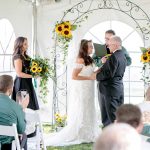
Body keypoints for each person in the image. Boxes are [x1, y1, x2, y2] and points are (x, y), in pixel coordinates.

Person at [45, 39, 100, 146]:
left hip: (90, 88)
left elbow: (90, 72)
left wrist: (98, 70)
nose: (92, 48)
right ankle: (81, 133)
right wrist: (90, 77)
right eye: (90, 47)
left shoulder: (90, 59)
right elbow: (74, 76)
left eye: (92, 46)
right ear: (84, 48)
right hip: (82, 89)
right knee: (82, 108)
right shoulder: (80, 60)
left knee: (89, 108)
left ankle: (89, 132)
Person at [95, 36, 127, 127]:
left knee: (110, 117)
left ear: (116, 44)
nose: (108, 47)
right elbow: (115, 71)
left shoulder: (114, 56)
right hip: (118, 88)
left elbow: (108, 74)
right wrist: (105, 63)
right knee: (118, 116)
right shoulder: (122, 56)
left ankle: (113, 138)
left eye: (109, 45)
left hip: (109, 90)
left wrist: (96, 76)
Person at [0, 75, 28, 150]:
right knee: (24, 135)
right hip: (7, 146)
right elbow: (21, 130)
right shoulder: (16, 107)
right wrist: (23, 109)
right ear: (10, 89)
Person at [11, 37, 39, 110]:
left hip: (27, 82)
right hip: (21, 84)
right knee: (22, 106)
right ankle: (22, 121)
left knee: (28, 105)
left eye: (27, 44)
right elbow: (19, 73)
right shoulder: (17, 57)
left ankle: (26, 121)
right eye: (25, 44)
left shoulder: (26, 56)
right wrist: (33, 76)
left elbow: (29, 68)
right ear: (20, 45)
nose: (27, 46)